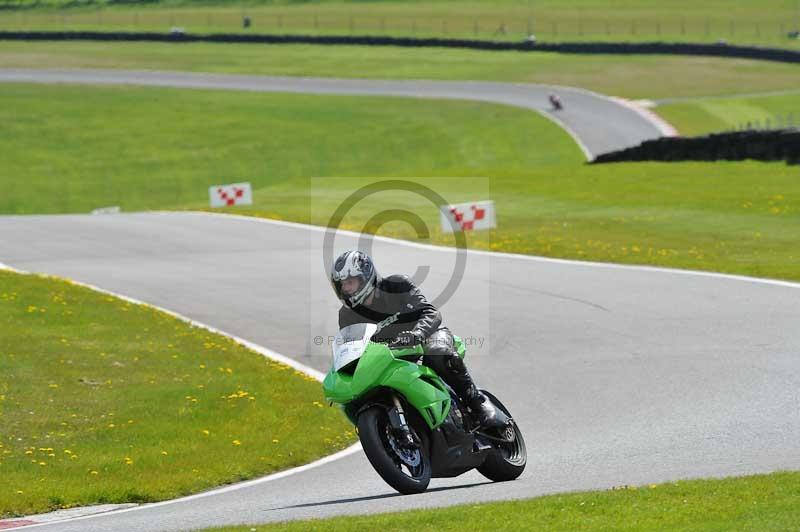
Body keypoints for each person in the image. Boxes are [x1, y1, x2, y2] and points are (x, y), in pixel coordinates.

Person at [330, 250, 503, 428]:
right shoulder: (346, 315)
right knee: (354, 396)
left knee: (438, 352)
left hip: (426, 336)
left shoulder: (397, 285)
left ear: (365, 277)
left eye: (350, 282)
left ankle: (477, 404)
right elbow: (353, 347)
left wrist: (417, 334)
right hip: (389, 356)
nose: (346, 289)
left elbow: (430, 312)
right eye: (342, 285)